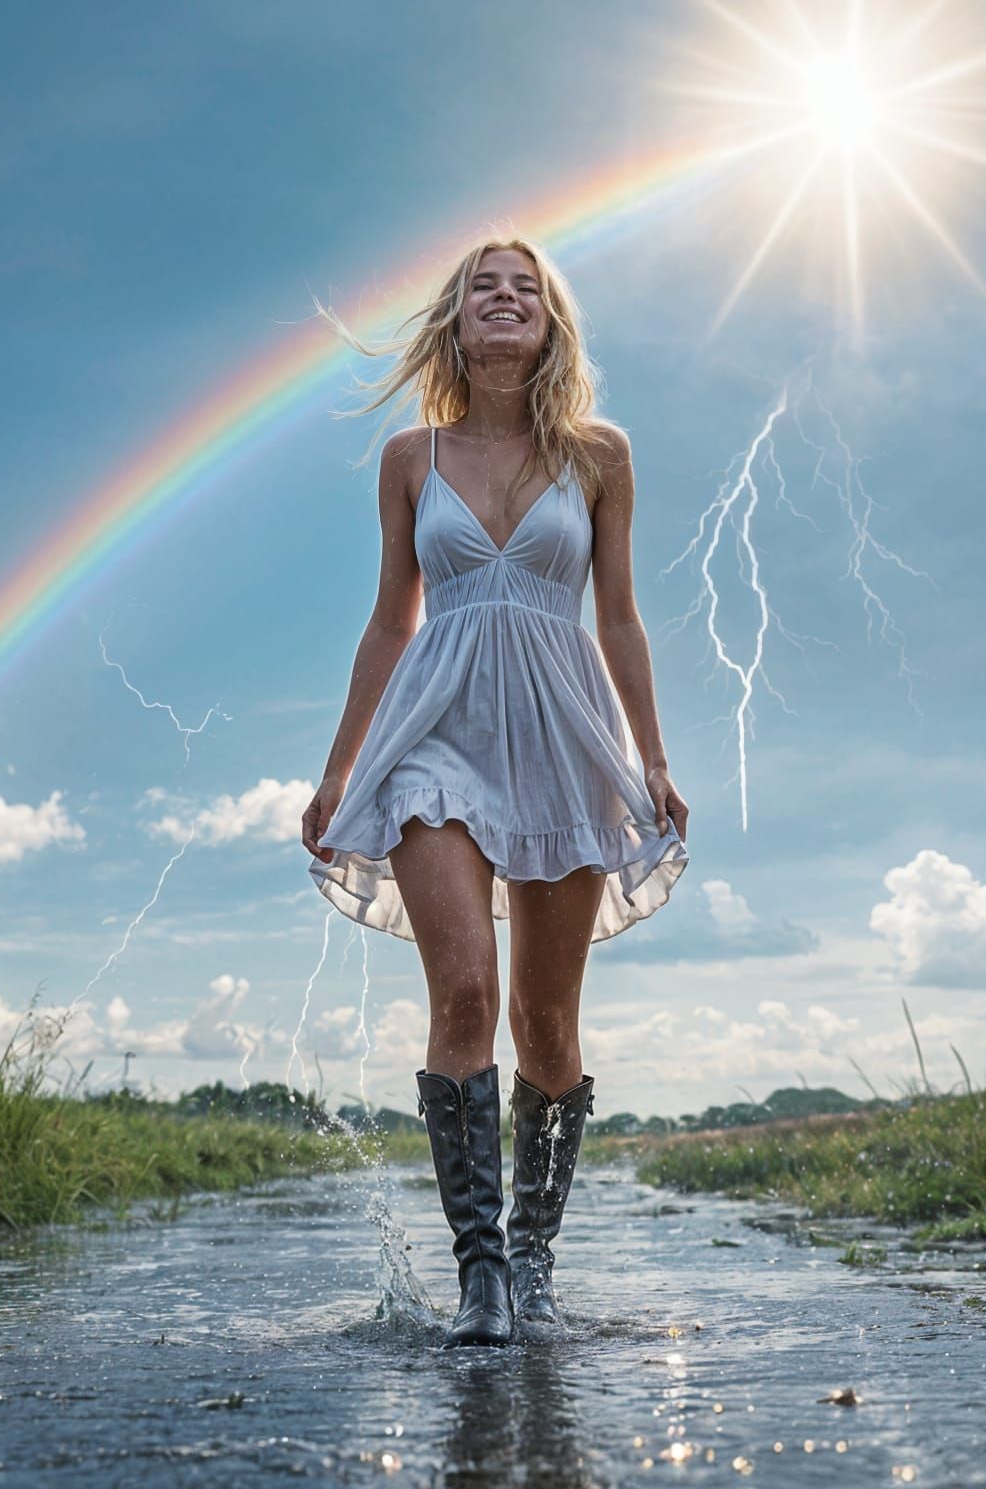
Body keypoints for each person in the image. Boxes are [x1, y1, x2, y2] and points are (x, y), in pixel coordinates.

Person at [301, 236, 691, 1347]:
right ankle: (479, 1278)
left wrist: (653, 757)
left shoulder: (600, 455)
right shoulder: (410, 458)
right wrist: (339, 769)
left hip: (563, 740)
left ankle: (534, 1263)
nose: (507, 299)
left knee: (546, 1027)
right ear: (457, 325)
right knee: (466, 996)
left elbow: (617, 616)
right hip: (436, 735)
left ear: (550, 322)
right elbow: (391, 621)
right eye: (486, 287)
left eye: (527, 287)